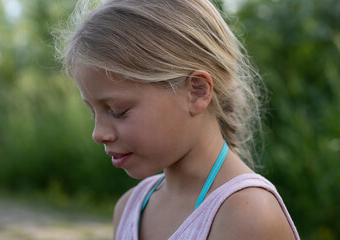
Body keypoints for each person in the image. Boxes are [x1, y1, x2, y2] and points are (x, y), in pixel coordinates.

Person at [58, 0, 300, 239]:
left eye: (118, 110)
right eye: (93, 112)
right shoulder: (129, 209)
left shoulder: (248, 215)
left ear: (196, 92)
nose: (98, 133)